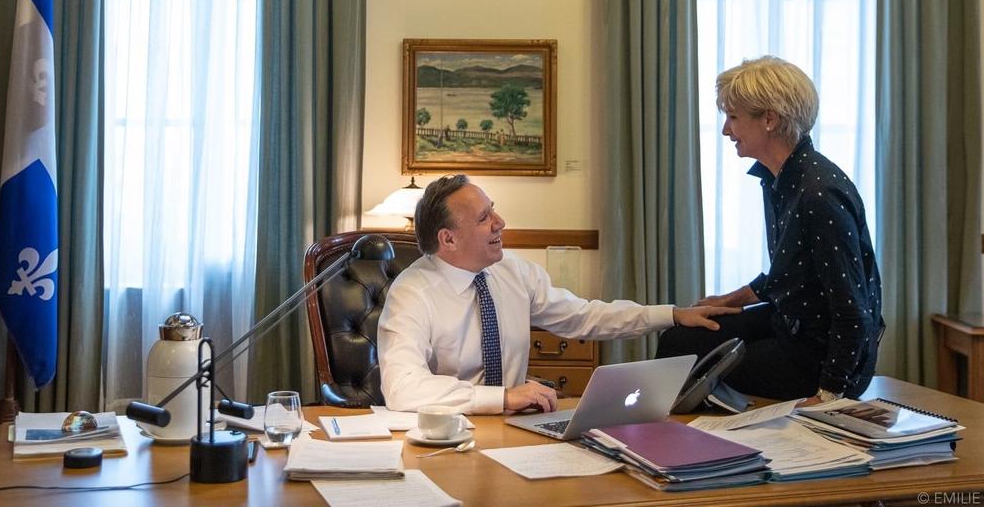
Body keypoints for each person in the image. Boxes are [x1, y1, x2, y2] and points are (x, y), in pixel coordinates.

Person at [377, 174, 738, 414]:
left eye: (494, 209)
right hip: (446, 438)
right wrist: (501, 398)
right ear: (448, 239)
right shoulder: (411, 293)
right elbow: (403, 389)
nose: (500, 221)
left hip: (516, 426)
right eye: (485, 217)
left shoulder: (512, 271)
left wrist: (672, 315)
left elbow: (583, 316)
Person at [654, 56, 883, 403]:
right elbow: (791, 273)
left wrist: (829, 394)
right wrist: (731, 299)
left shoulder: (819, 193)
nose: (726, 131)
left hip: (823, 356)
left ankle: (692, 441)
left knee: (692, 366)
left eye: (733, 117)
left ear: (770, 120)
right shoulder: (780, 179)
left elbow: (853, 312)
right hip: (789, 324)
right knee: (681, 338)